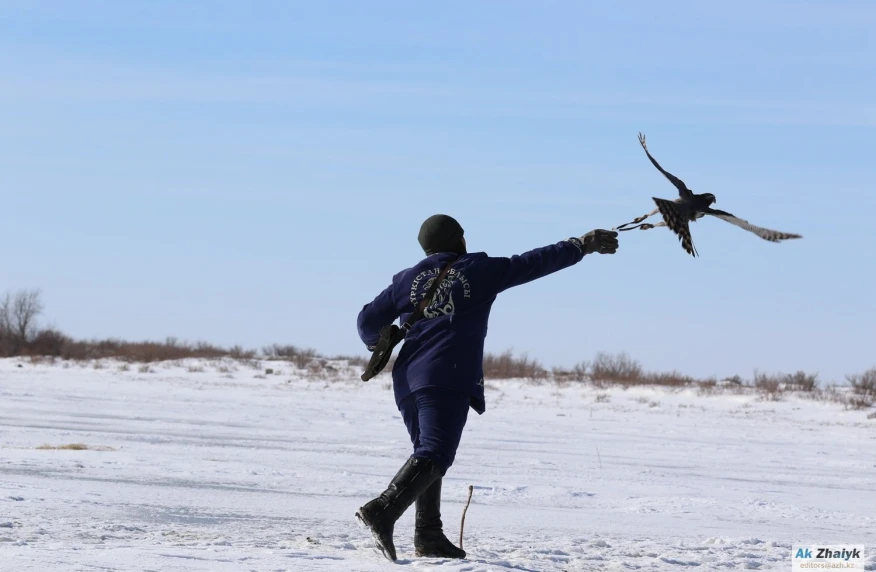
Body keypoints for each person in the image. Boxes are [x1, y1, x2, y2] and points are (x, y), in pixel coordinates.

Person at [355, 214, 619, 561]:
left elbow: (367, 324)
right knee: (435, 451)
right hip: (446, 373)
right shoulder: (477, 270)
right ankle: (382, 510)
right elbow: (531, 263)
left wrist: (381, 339)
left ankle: (429, 534)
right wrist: (580, 245)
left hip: (407, 379)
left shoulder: (406, 280)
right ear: (459, 239)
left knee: (426, 452)